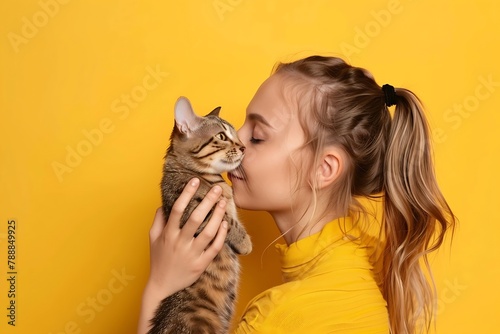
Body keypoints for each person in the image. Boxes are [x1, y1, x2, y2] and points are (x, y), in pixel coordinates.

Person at [138, 56, 456, 334]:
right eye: (240, 126)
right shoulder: (365, 262)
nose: (238, 143)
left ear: (324, 169)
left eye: (259, 136)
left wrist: (161, 288)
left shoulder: (277, 317)